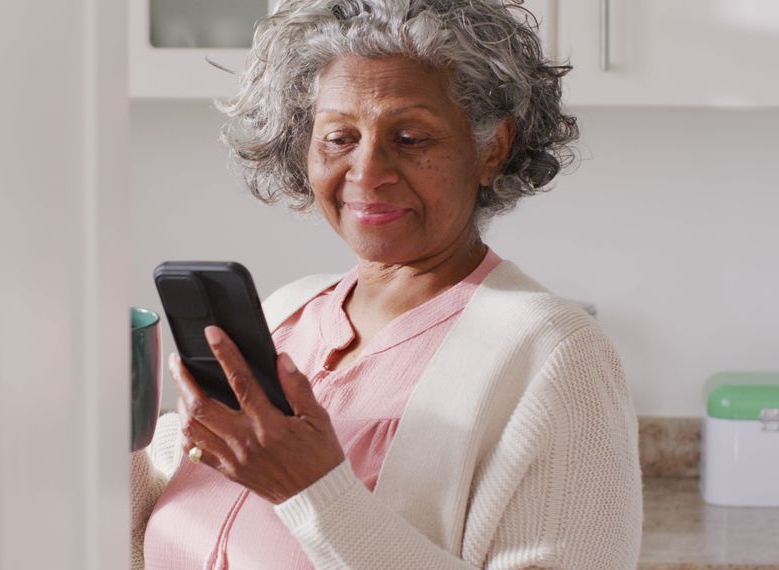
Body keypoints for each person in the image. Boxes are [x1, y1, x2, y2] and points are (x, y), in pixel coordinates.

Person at [132, 0, 643, 568]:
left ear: (491, 148)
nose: (368, 172)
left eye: (410, 138)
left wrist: (313, 491)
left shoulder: (556, 354)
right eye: (339, 137)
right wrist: (116, 430)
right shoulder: (286, 312)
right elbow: (158, 542)